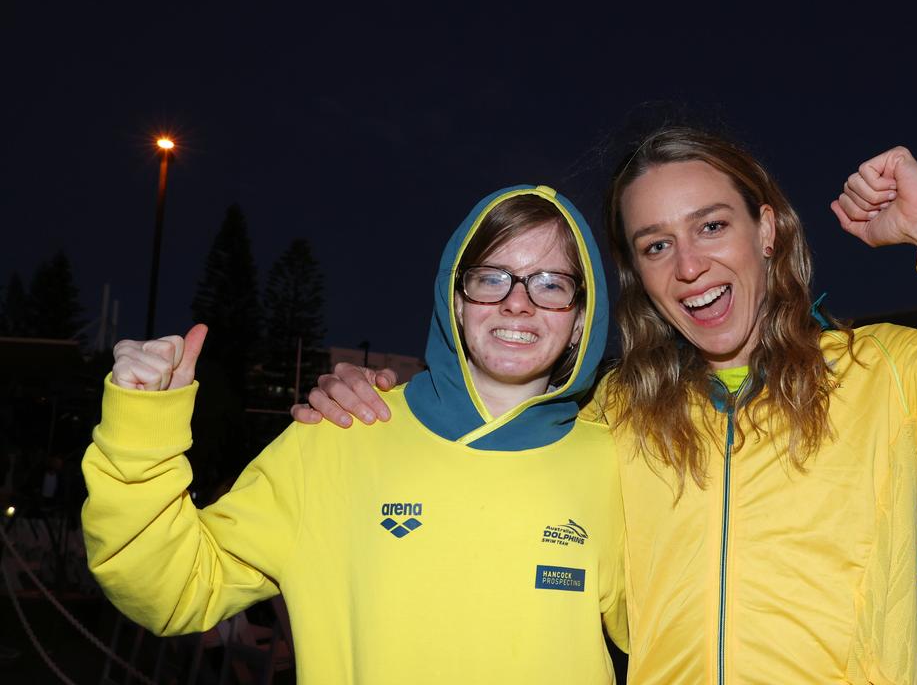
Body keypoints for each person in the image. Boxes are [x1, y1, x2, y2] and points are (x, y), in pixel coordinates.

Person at [297, 128, 917, 684]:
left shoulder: (887, 377)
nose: (690, 266)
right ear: (638, 274)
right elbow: (483, 478)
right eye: (656, 245)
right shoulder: (617, 415)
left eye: (712, 227)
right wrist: (393, 409)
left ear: (768, 230)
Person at [81, 187, 627, 684]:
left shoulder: (617, 462)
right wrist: (142, 428)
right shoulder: (341, 434)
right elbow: (173, 590)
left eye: (552, 284)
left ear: (582, 317)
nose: (517, 301)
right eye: (491, 277)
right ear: (455, 301)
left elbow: (680, 632)